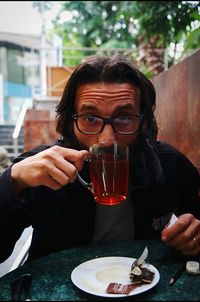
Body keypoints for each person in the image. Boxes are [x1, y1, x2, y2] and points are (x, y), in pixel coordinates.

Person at [0, 54, 200, 264]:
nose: (107, 139)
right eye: (90, 118)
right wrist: (14, 181)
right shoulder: (42, 170)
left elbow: (193, 234)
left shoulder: (172, 167)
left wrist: (192, 237)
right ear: (70, 121)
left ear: (143, 123)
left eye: (124, 118)